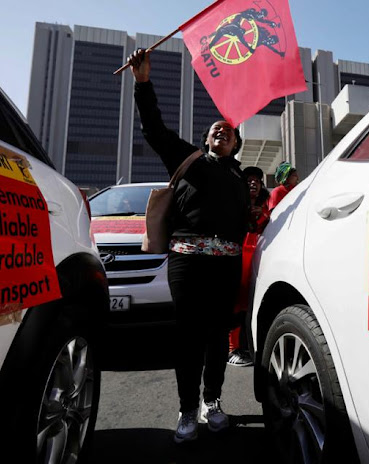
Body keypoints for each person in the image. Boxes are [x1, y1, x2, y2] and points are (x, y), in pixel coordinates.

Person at [127, 48, 249, 444]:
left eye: (228, 130)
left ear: (236, 143)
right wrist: (143, 83)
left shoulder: (241, 179)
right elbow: (154, 130)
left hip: (226, 266)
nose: (222, 131)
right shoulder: (191, 161)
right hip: (187, 264)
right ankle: (186, 409)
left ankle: (212, 402)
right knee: (190, 337)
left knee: (217, 339)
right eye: (216, 128)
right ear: (206, 139)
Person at [228, 166, 270, 367]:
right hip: (237, 258)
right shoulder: (233, 204)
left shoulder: (266, 208)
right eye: (249, 180)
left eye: (257, 180)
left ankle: (250, 346)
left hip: (259, 260)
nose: (253, 183)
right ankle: (232, 349)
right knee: (237, 303)